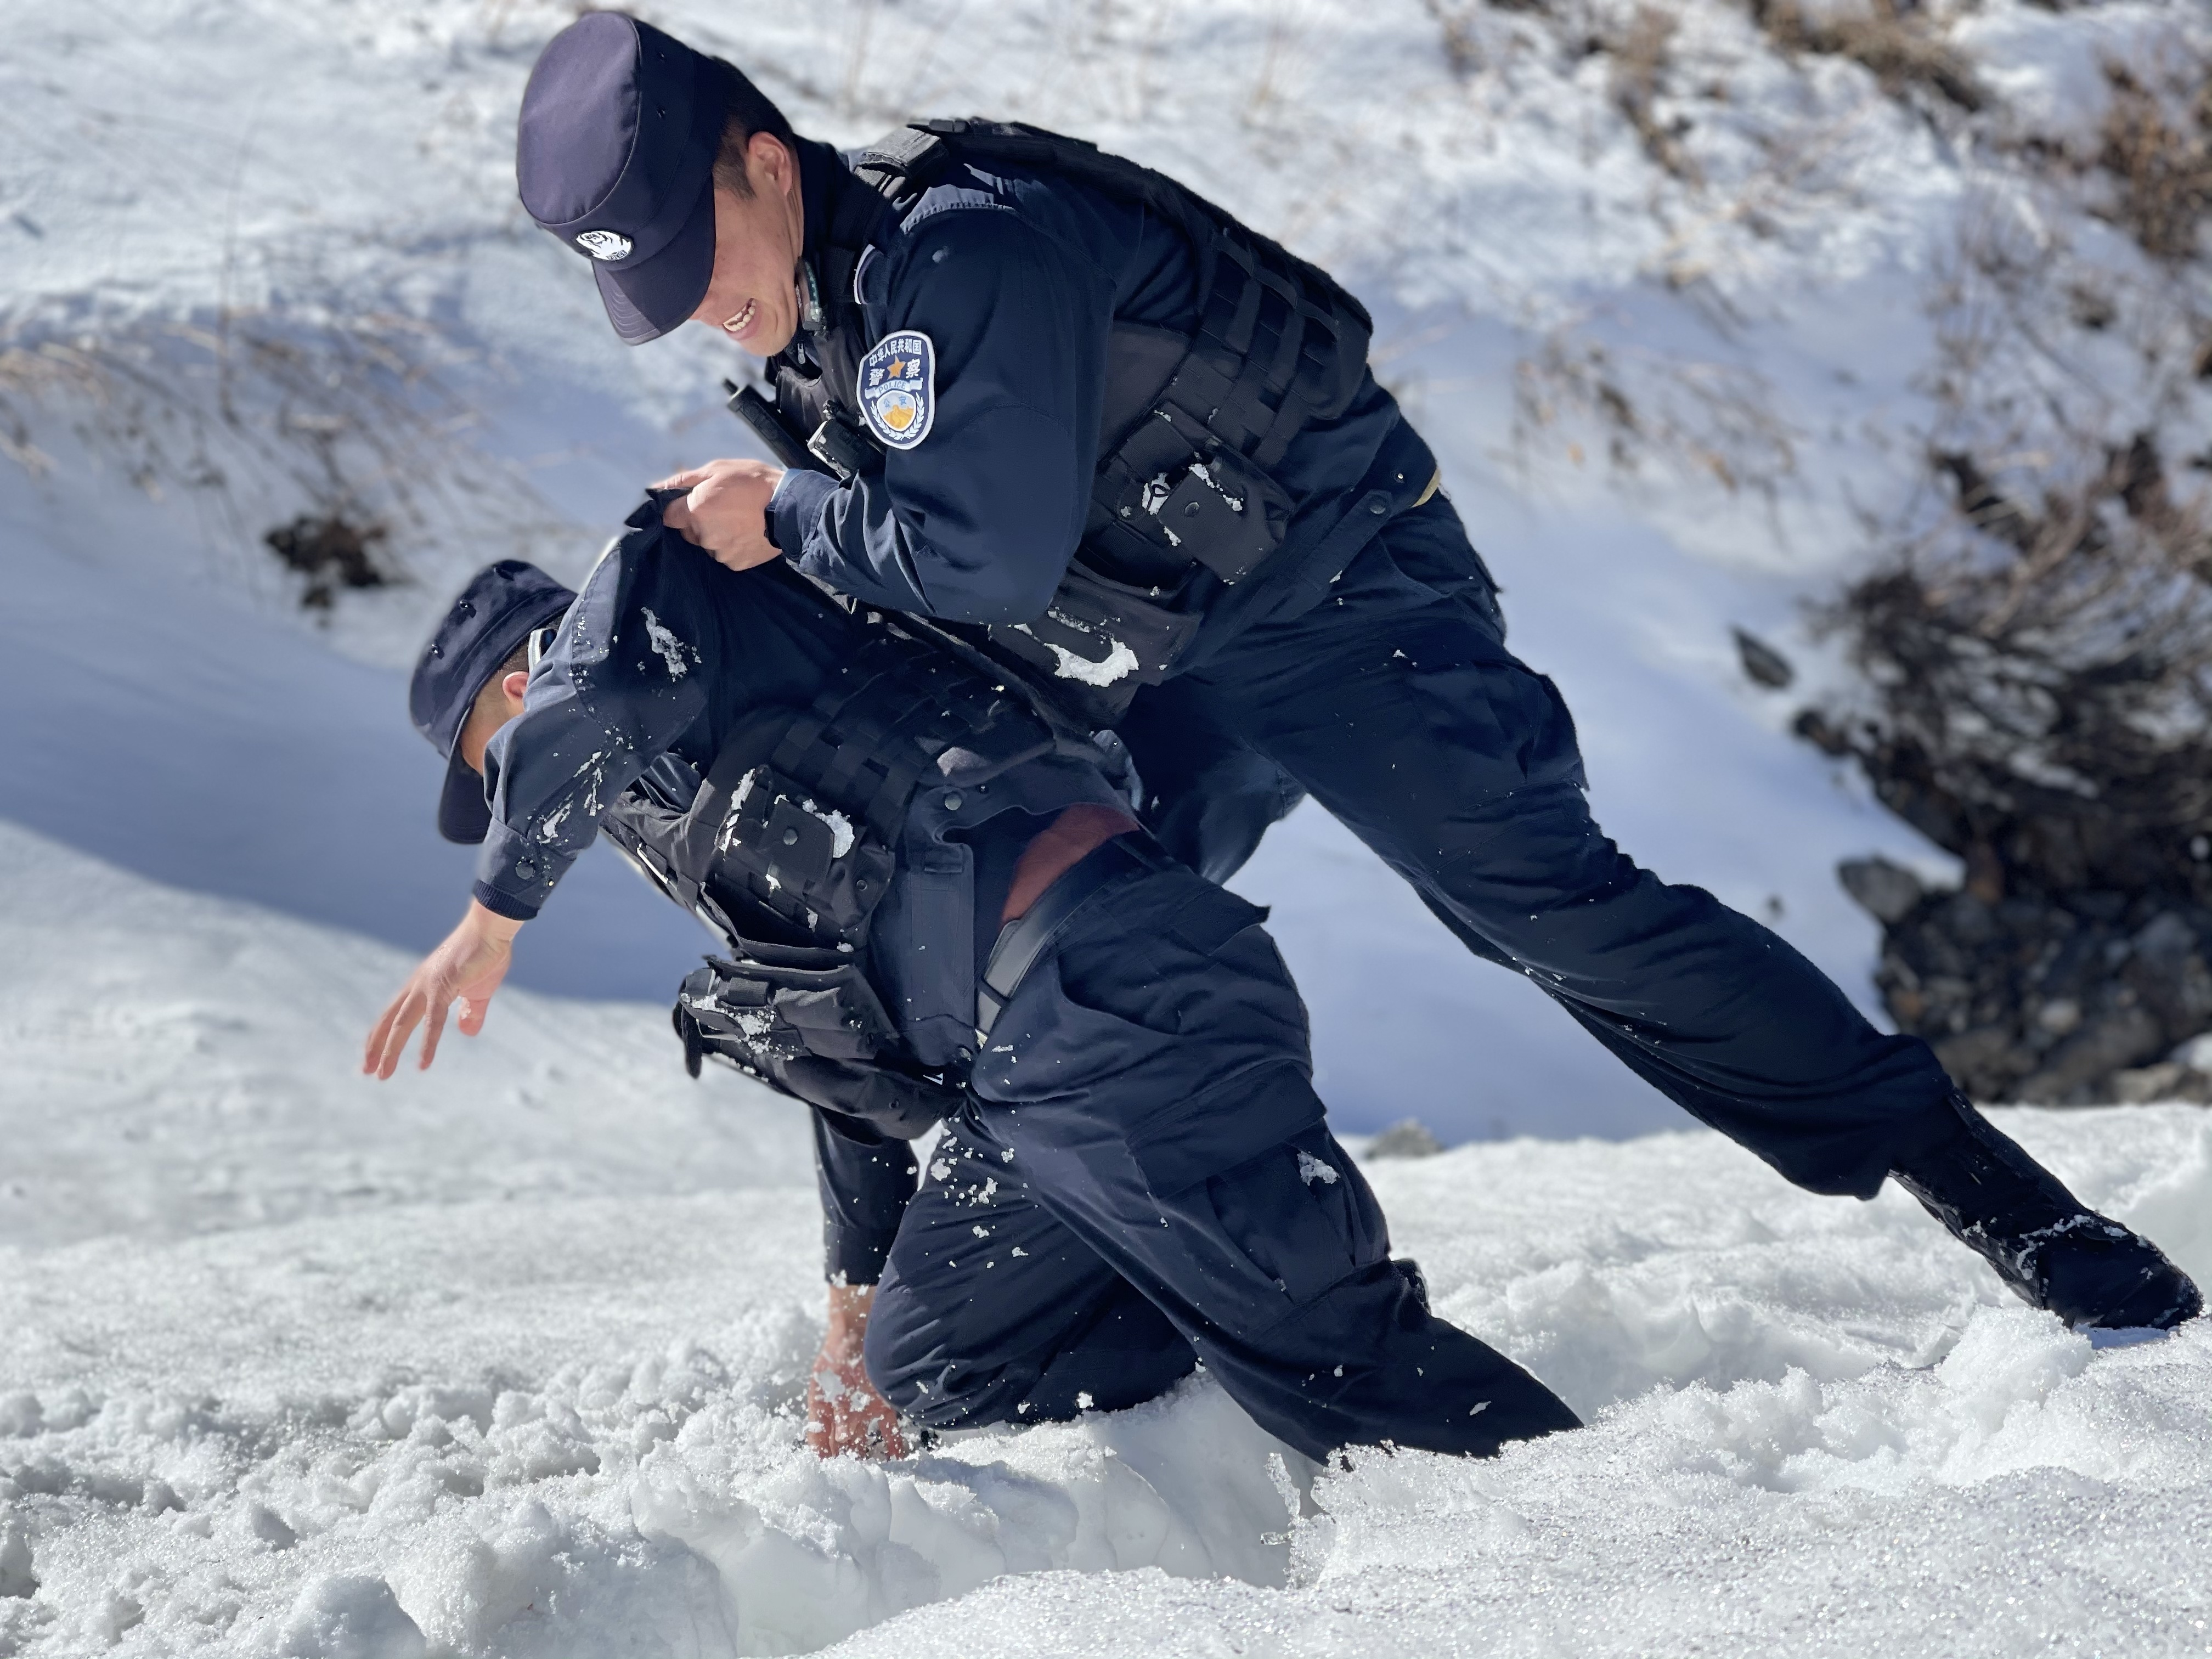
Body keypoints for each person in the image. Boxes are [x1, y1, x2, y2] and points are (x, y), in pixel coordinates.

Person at [498, 14, 2201, 1337]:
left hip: (1334, 601)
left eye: (691, 258)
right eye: (652, 301)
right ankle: (1127, 1315)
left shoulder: (967, 254)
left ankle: (1999, 1195)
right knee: (1023, 940)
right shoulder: (816, 331)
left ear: (764, 160)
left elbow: (981, 555)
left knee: (1550, 914)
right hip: (1148, 664)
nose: (698, 314)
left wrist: (787, 518)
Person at [364, 500, 1584, 1462]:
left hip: (1111, 988)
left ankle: (1624, 1550)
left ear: (519, 699)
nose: (520, 801)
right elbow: (839, 1045)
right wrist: (851, 1310)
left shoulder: (674, 603)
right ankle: (1229, 1317)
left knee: (1348, 1375)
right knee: (941, 1366)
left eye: (499, 767)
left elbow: (601, 686)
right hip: (1027, 1078)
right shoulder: (700, 804)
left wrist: (495, 911)